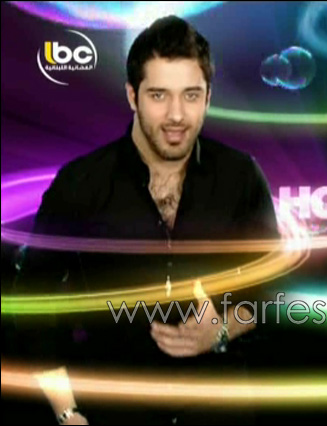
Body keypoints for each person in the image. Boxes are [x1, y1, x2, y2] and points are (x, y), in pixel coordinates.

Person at [13, 15, 279, 425]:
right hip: (114, 412)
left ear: (208, 97)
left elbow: (272, 290)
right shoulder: (81, 184)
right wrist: (67, 413)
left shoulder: (240, 176)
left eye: (191, 95)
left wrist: (224, 328)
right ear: (132, 95)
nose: (177, 115)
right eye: (159, 95)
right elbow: (32, 304)